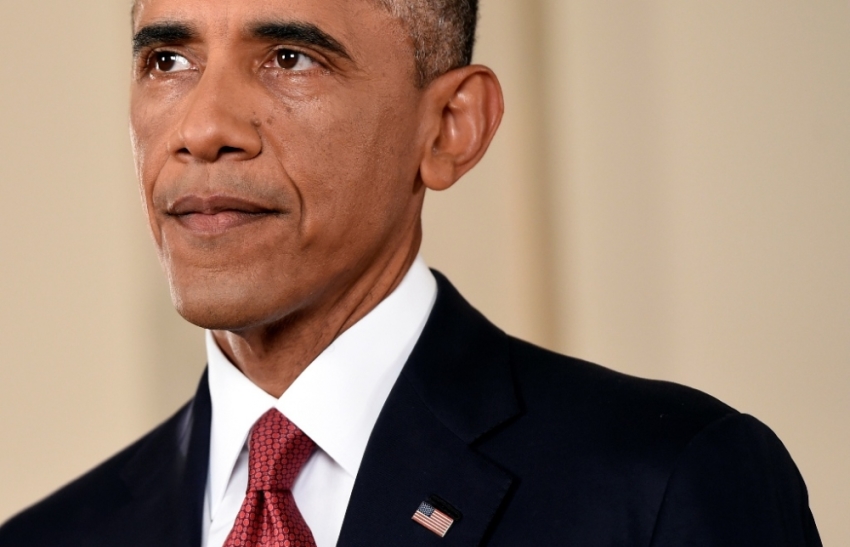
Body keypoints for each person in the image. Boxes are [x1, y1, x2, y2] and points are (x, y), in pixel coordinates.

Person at [0, 0, 821, 545]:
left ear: (451, 127)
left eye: (289, 56)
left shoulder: (668, 484)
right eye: (168, 62)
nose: (203, 126)